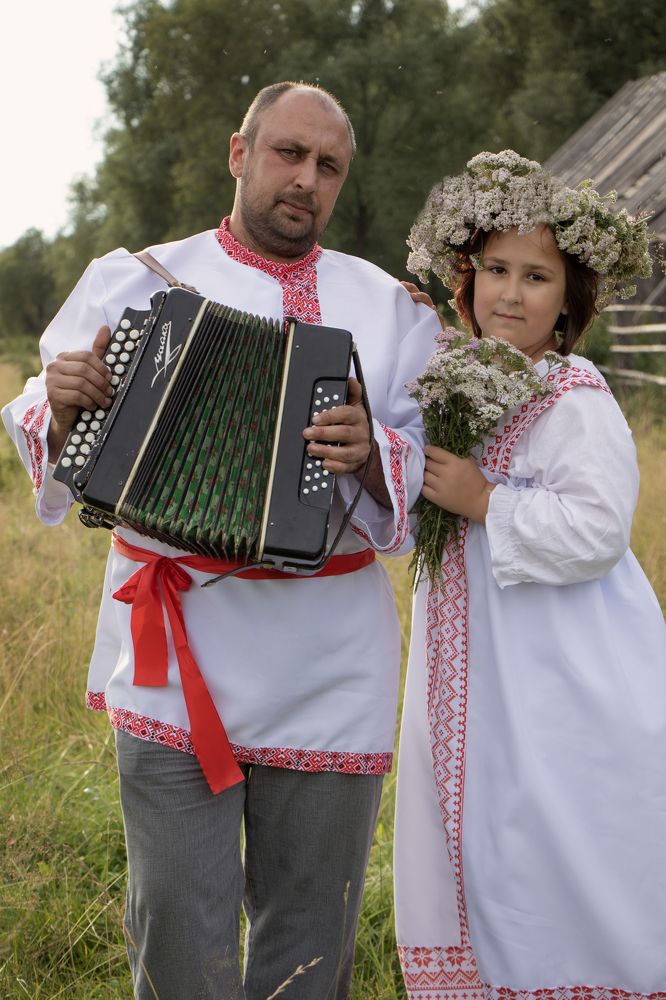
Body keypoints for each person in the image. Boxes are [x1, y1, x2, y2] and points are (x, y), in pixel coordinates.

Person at [2, 82, 441, 1000]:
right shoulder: (135, 278)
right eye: (289, 153)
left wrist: (372, 452)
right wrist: (65, 401)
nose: (307, 179)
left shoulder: (391, 310)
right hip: (173, 654)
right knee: (177, 929)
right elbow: (41, 413)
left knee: (311, 937)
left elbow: (424, 468)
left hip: (330, 663)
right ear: (239, 154)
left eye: (329, 165)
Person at [393, 150, 666, 999]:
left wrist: (485, 500)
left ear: (569, 298)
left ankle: (567, 975)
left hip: (558, 671)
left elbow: (596, 529)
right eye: (496, 269)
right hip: (479, 667)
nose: (511, 293)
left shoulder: (574, 395)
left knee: (549, 828)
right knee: (484, 823)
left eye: (537, 276)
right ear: (467, 278)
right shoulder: (463, 381)